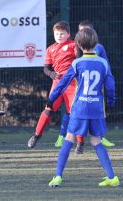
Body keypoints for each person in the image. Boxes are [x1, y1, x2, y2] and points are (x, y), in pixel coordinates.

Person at [48, 27, 119, 187]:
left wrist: (51, 99)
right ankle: (112, 177)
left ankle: (58, 176)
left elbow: (62, 84)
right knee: (96, 141)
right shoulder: (103, 63)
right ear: (96, 43)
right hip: (96, 108)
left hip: (80, 108)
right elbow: (111, 86)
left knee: (69, 139)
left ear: (78, 44)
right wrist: (111, 103)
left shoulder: (77, 63)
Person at [54, 20, 115, 149]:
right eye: (80, 31)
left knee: (95, 110)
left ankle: (98, 138)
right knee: (72, 109)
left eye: (86, 31)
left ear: (92, 33)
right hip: (77, 81)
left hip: (94, 82)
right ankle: (65, 136)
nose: (83, 33)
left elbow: (96, 59)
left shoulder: (96, 48)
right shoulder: (75, 46)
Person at [27, 21, 83, 151]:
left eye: (62, 33)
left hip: (71, 84)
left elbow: (79, 60)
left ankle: (80, 143)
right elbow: (46, 68)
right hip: (57, 84)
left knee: (75, 113)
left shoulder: (73, 45)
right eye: (57, 33)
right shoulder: (50, 49)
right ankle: (36, 135)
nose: (59, 36)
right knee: (48, 109)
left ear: (68, 34)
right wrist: (51, 74)